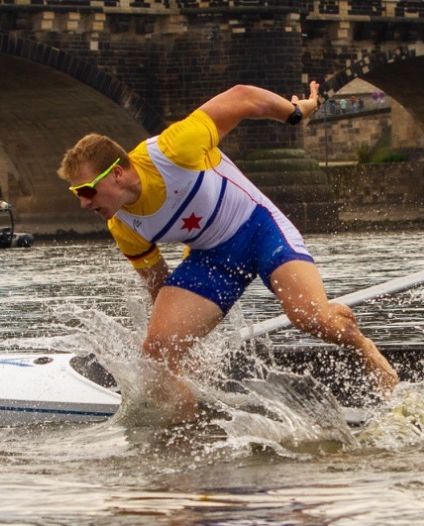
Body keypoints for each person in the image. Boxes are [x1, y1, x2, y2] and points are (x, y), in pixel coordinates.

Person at [57, 81, 398, 420]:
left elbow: (243, 97)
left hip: (260, 229)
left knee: (310, 318)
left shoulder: (172, 150)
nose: (83, 203)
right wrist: (183, 346)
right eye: (77, 194)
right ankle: (190, 431)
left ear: (116, 173)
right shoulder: (122, 225)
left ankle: (363, 346)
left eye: (87, 190)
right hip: (213, 260)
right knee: (157, 355)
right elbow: (158, 285)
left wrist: (296, 112)